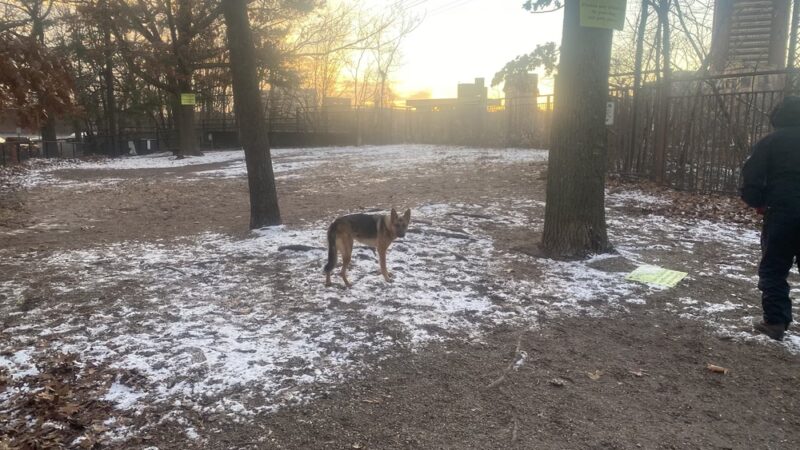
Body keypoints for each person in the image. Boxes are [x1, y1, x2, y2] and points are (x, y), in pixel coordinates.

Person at [740, 95, 800, 341]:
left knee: (774, 268)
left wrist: (758, 202)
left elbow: (751, 178)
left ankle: (775, 322)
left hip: (782, 210)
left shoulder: (770, 143)